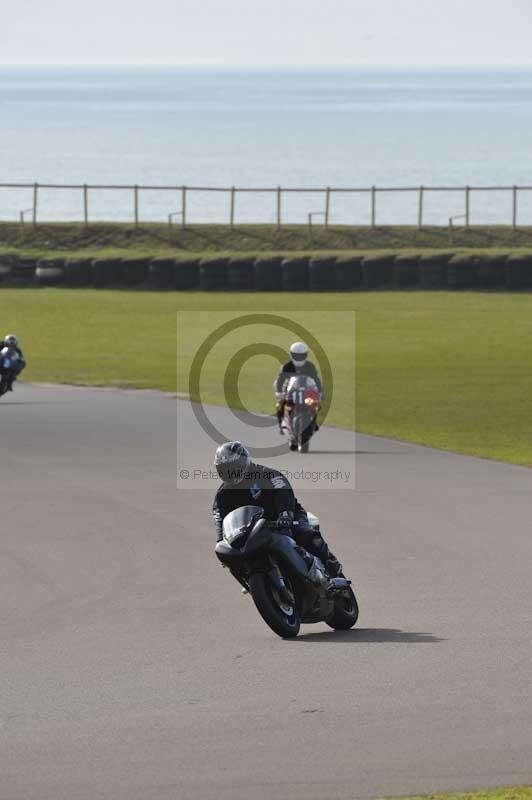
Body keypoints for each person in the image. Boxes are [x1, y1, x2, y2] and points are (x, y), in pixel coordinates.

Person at [212, 441, 342, 576]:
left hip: (284, 519)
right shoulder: (223, 495)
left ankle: (330, 561)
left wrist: (285, 514)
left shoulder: (265, 474)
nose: (230, 472)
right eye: (225, 469)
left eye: (233, 467)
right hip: (253, 531)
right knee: (234, 560)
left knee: (305, 533)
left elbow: (282, 491)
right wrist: (221, 539)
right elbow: (220, 517)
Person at [274, 342, 322, 435]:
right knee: (279, 405)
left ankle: (313, 422)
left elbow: (316, 379)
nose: (299, 358)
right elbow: (280, 380)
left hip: (306, 389)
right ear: (292, 354)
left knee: (316, 405)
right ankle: (281, 424)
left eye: (301, 355)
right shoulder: (286, 366)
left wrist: (319, 391)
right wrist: (279, 392)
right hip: (289, 389)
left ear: (306, 355)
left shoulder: (310, 366)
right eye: (296, 355)